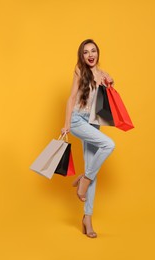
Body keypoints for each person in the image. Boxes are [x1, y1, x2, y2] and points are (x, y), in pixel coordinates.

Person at [61, 39, 115, 238]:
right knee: (109, 144)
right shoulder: (79, 70)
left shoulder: (102, 74)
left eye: (93, 51)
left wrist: (110, 81)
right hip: (78, 120)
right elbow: (71, 98)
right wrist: (67, 123)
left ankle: (87, 219)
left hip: (94, 121)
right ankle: (85, 178)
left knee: (93, 167)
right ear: (81, 56)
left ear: (98, 53)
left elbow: (108, 96)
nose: (90, 55)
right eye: (86, 52)